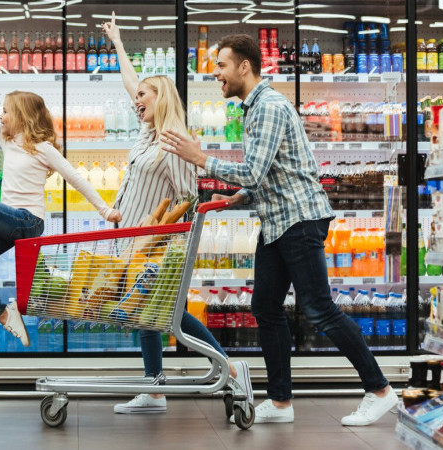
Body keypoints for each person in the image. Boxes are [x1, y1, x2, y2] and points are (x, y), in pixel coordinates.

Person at [160, 34, 398, 426]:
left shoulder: (267, 106)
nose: (215, 73)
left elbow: (254, 170)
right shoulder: (252, 108)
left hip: (298, 220)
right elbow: (269, 175)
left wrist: (200, 158)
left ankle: (380, 390)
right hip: (277, 220)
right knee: (265, 307)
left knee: (319, 308)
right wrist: (244, 197)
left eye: (221, 65)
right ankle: (281, 402)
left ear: (244, 67)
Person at [101, 14, 252, 415]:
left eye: (145, 95)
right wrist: (118, 42)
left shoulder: (175, 139)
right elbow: (132, 84)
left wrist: (156, 236)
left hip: (156, 246)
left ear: (162, 98)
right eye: (137, 96)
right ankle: (173, 384)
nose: (137, 100)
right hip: (130, 239)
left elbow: (187, 196)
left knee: (162, 315)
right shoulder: (147, 132)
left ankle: (214, 372)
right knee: (159, 315)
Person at [0, 60, 121, 347]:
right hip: (8, 223)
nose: (1, 115)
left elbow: (74, 177)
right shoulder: (7, 141)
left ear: (21, 116)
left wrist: (104, 209)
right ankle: (3, 314)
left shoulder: (43, 148)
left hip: (26, 221)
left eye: (6, 111)